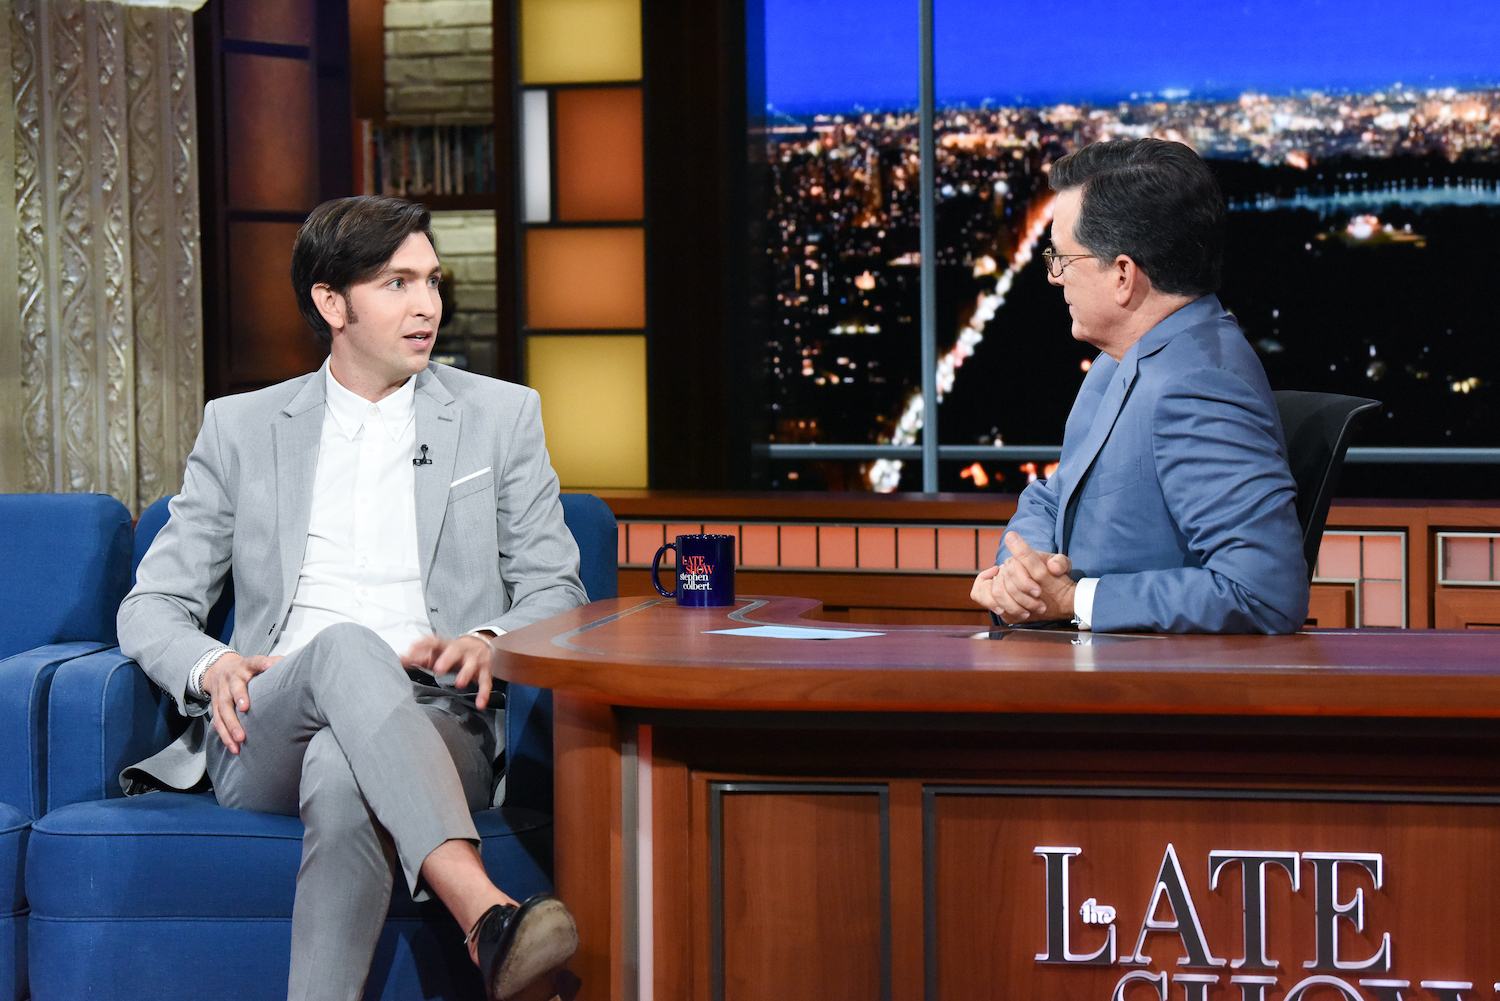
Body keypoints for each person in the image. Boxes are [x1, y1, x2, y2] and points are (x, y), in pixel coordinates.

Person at [119, 196, 586, 1000]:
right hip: (266, 722)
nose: (427, 305)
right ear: (332, 303)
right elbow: (151, 602)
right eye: (398, 283)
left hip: (441, 717)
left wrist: (486, 638)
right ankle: (484, 909)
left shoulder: (501, 417)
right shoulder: (241, 428)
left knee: (343, 771)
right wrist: (210, 664)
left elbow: (557, 587)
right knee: (342, 644)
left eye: (432, 281)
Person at [970, 138, 1309, 634]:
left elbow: (1264, 593)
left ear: (1123, 275)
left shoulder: (1199, 384)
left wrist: (1073, 600)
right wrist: (1019, 578)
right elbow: (1052, 498)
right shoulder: (1118, 362)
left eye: (1063, 259)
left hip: (1147, 676)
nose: (1054, 278)